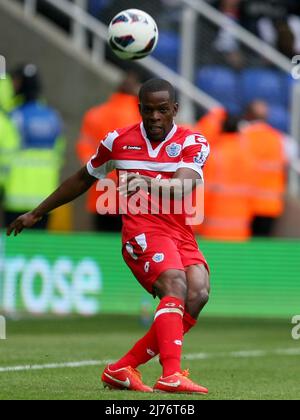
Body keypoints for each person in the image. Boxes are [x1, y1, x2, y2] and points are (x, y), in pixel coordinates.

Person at [7, 79, 210, 395]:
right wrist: (37, 212)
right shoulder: (118, 141)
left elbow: (185, 185)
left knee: (198, 294)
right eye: (148, 110)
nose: (155, 117)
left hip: (180, 231)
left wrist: (147, 183)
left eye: (162, 110)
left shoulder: (192, 141)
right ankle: (171, 374)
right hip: (141, 231)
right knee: (176, 284)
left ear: (175, 110)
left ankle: (120, 369)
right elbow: (82, 178)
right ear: (139, 108)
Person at [76, 72, 141, 232]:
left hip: (101, 191)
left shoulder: (94, 114)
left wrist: (103, 174)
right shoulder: (141, 119)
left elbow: (84, 151)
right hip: (133, 196)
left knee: (103, 245)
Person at [3, 64, 65, 229]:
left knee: (16, 251)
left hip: (15, 197)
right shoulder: (53, 117)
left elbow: (5, 157)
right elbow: (59, 155)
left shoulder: (12, 117)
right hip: (45, 199)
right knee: (38, 250)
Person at [196, 115, 253, 241]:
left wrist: (196, 226)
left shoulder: (214, 155)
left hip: (213, 229)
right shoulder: (248, 155)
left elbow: (202, 192)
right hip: (241, 227)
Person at [241, 100, 287, 237]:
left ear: (248, 115)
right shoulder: (279, 138)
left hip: (247, 203)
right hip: (271, 204)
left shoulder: (242, 136)